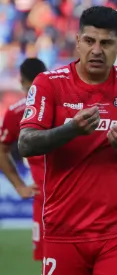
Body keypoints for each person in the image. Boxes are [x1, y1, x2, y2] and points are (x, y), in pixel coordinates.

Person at [17, 6, 117, 275]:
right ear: (77, 42)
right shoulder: (48, 84)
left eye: (106, 43)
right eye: (89, 41)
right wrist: (71, 129)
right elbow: (26, 143)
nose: (96, 50)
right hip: (63, 229)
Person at [0, 57, 46, 262]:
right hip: (45, 199)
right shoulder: (16, 113)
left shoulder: (67, 105)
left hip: (72, 197)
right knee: (51, 263)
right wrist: (19, 186)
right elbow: (1, 149)